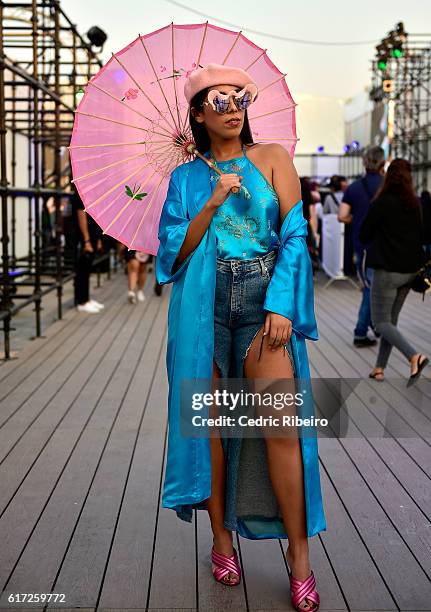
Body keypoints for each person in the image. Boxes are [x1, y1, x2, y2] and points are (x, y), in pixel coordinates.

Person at [156, 63, 325, 612]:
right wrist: (209, 201)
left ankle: (299, 559)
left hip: (261, 301)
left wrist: (281, 302)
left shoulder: (272, 158)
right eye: (218, 100)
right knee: (211, 430)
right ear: (198, 116)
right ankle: (221, 541)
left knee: (281, 429)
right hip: (204, 310)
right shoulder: (185, 179)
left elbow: (297, 234)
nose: (232, 107)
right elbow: (171, 257)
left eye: (238, 98)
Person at [359, 158, 429, 386]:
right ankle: (379, 368)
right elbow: (424, 236)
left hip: (387, 271)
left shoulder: (382, 203)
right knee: (391, 321)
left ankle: (414, 356)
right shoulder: (416, 204)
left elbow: (364, 234)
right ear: (410, 179)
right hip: (410, 272)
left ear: (387, 176)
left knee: (380, 323)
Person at [338, 146, 385, 347]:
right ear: (383, 163)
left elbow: (342, 216)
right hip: (385, 245)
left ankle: (373, 326)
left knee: (369, 287)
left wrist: (356, 219)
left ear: (364, 163)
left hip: (362, 245)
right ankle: (361, 331)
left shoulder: (354, 187)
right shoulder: (388, 186)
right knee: (374, 289)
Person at [71, 185, 105, 314]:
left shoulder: (89, 191)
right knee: (82, 269)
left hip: (92, 236)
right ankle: (82, 301)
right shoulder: (80, 193)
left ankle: (87, 298)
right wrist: (86, 241)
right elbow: (81, 217)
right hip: (84, 239)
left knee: (87, 268)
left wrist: (98, 239)